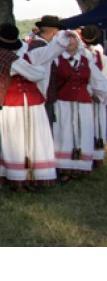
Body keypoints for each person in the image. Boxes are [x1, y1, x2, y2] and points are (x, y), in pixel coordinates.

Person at [0, 22, 69, 171]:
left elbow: (50, 52)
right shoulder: (10, 58)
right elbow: (36, 74)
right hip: (2, 102)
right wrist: (40, 67)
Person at [0, 25, 58, 191]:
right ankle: (17, 178)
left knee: (33, 140)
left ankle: (33, 175)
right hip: (12, 103)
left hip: (32, 103)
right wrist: (34, 69)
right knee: (15, 140)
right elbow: (36, 74)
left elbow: (49, 55)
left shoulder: (27, 55)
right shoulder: (5, 59)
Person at [52, 31, 107, 181]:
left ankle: (79, 166)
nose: (69, 41)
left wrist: (99, 93)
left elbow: (97, 79)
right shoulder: (56, 60)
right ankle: (64, 168)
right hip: (63, 102)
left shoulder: (85, 60)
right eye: (66, 38)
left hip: (82, 102)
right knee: (64, 133)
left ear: (78, 41)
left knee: (82, 132)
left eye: (72, 38)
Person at [28, 15, 66, 127]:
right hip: (42, 95)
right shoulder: (40, 47)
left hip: (46, 95)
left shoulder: (40, 46)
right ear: (54, 33)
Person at [80, 25, 106, 167]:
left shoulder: (96, 52)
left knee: (96, 123)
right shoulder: (84, 52)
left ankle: (97, 154)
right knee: (91, 123)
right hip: (89, 91)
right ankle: (91, 154)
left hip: (95, 90)